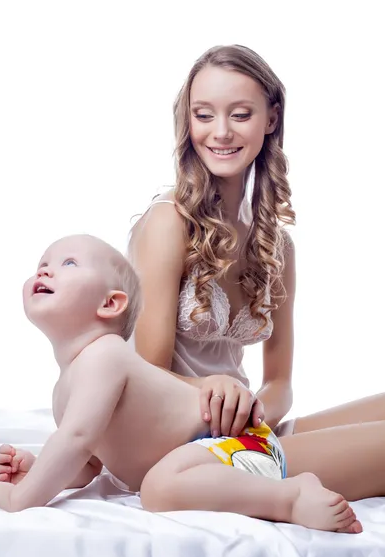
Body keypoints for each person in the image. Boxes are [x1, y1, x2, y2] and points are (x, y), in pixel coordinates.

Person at [128, 44, 385, 501]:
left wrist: (257, 408)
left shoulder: (276, 245)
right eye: (204, 115)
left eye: (240, 114)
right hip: (179, 447)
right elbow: (146, 370)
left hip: (243, 429)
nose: (220, 132)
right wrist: (213, 388)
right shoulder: (170, 221)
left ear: (271, 119)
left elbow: (280, 381)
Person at [0, 234, 361, 534]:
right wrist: (40, 467)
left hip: (235, 443)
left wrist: (19, 499)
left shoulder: (106, 354)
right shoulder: (66, 388)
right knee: (161, 484)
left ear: (111, 304)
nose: (45, 270)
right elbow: (88, 462)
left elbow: (75, 440)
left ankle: (291, 498)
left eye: (68, 263)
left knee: (157, 490)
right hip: (205, 459)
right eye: (42, 263)